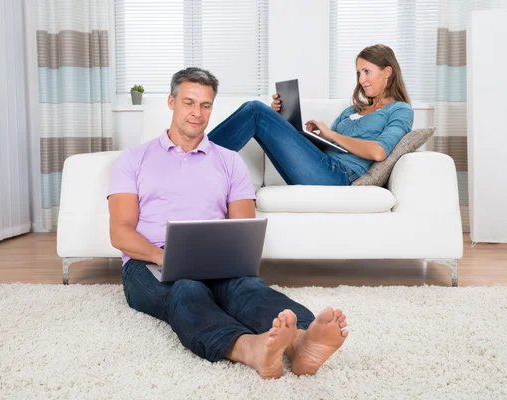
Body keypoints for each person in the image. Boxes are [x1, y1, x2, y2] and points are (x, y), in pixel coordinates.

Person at [108, 67, 348, 379]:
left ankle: (303, 342)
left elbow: (241, 229)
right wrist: (162, 257)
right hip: (149, 261)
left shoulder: (228, 161)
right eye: (189, 103)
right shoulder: (133, 159)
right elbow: (120, 231)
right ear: (171, 102)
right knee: (187, 291)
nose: (197, 113)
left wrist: (230, 260)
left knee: (246, 288)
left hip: (212, 259)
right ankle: (252, 349)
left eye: (205, 105)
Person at [207, 44, 414, 186]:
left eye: (367, 71)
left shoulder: (399, 110)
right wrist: (285, 122)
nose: (361, 79)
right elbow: (331, 149)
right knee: (262, 114)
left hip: (340, 175)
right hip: (323, 165)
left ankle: (197, 160)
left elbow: (379, 152)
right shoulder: (352, 110)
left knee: (254, 110)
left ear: (387, 72)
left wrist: (331, 135)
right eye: (359, 73)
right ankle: (198, 160)